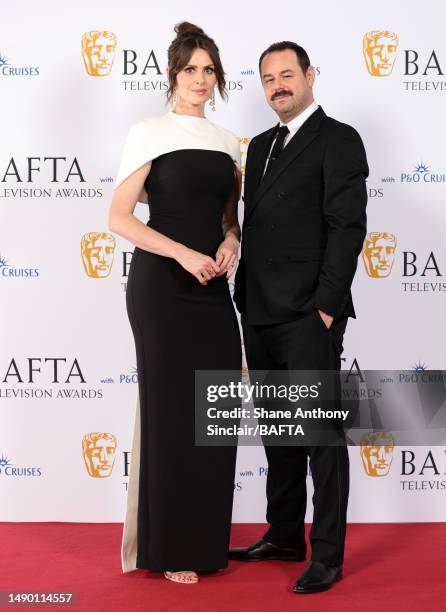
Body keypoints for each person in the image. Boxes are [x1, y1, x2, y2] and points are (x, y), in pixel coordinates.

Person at [231, 41, 368, 594]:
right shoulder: (260, 145)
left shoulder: (339, 138)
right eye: (268, 78)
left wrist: (327, 308)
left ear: (310, 75)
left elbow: (347, 227)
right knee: (278, 433)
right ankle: (284, 534)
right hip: (259, 309)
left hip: (310, 314)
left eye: (288, 74)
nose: (278, 85)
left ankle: (328, 554)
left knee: (321, 437)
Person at [109, 22, 242, 585]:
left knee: (213, 410)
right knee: (168, 410)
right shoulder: (148, 132)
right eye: (191, 69)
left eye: (209, 70)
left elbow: (227, 218)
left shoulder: (230, 142)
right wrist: (183, 255)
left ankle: (207, 539)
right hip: (163, 287)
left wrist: (231, 240)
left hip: (213, 287)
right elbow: (118, 218)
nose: (200, 79)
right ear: (173, 74)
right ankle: (168, 547)